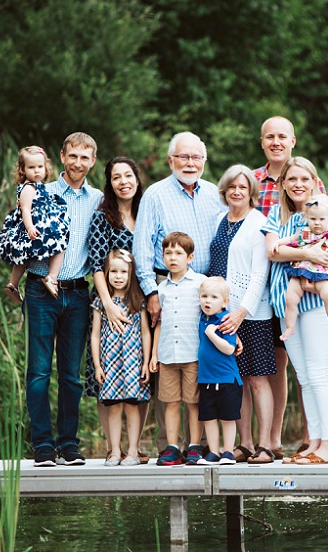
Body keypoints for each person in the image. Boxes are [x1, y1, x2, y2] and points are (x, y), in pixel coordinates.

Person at [133, 131, 224, 453]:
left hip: (204, 292)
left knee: (200, 366)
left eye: (196, 157)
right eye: (183, 157)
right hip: (166, 287)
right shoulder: (156, 195)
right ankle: (169, 446)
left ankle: (199, 444)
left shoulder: (215, 193)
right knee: (169, 370)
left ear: (204, 161)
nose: (190, 163)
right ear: (171, 160)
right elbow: (142, 246)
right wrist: (150, 292)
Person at [262, 157, 328, 465]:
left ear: (315, 182)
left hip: (317, 302)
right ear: (283, 184)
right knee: (303, 375)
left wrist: (315, 271)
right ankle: (314, 443)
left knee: (317, 372)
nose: (298, 184)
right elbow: (272, 251)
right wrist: (305, 252)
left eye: (304, 179)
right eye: (292, 179)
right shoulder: (277, 213)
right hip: (286, 302)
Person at [25, 132, 101, 467]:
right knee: (39, 371)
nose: (78, 163)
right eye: (73, 156)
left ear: (93, 161)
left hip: (78, 292)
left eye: (85, 158)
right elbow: (20, 234)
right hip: (41, 289)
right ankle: (42, 445)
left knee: (71, 374)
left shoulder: (98, 199)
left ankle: (68, 444)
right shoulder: (41, 191)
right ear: (63, 156)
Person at [253, 116, 325, 457]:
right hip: (266, 288)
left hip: (308, 289)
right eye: (270, 137)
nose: (276, 141)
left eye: (282, 136)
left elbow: (326, 235)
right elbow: (267, 244)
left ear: (293, 140)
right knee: (277, 364)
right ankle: (273, 438)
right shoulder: (252, 181)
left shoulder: (311, 182)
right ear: (263, 141)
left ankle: (316, 439)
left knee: (310, 368)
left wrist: (309, 258)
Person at [83, 157, 149, 462]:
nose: (124, 181)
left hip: (142, 302)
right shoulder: (103, 217)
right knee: (106, 381)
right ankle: (113, 448)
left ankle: (135, 448)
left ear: (137, 178)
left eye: (128, 175)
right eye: (116, 177)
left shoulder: (147, 212)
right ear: (109, 183)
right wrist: (107, 303)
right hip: (109, 302)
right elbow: (97, 264)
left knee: (140, 378)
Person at [208, 165, 275, 464]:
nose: (237, 191)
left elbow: (260, 275)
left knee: (258, 379)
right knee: (237, 380)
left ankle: (265, 444)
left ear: (251, 192)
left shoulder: (259, 223)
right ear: (225, 190)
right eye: (232, 186)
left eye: (243, 187)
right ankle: (244, 443)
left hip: (252, 314)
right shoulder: (220, 221)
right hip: (224, 313)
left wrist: (241, 312)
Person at [150, 232, 207, 466]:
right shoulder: (161, 289)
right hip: (167, 355)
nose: (173, 258)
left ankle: (194, 445)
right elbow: (159, 324)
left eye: (179, 253)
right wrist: (154, 355)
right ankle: (172, 447)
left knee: (194, 403)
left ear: (190, 257)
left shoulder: (200, 283)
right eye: (168, 253)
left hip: (193, 353)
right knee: (170, 402)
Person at [90, 249, 152, 467]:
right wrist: (97, 365)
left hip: (134, 362)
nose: (118, 276)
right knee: (114, 407)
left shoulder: (138, 300)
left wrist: (146, 362)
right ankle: (115, 451)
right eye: (113, 271)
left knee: (132, 406)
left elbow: (145, 332)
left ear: (130, 273)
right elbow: (95, 335)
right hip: (111, 363)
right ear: (106, 273)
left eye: (123, 271)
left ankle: (134, 451)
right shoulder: (101, 303)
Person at [268, 194, 328, 340]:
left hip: (323, 272)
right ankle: (290, 327)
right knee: (290, 297)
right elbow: (290, 239)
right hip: (300, 270)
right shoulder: (303, 231)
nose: (317, 223)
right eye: (313, 219)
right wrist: (277, 243)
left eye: (321, 219)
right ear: (307, 218)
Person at [0, 146, 69, 303]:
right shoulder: (29, 188)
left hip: (33, 226)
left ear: (45, 168)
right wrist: (30, 227)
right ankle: (52, 277)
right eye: (31, 167)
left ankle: (13, 284)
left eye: (40, 167)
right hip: (34, 226)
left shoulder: (37, 186)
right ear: (23, 170)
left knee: (24, 256)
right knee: (60, 244)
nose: (37, 171)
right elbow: (25, 209)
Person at [195, 277, 241, 466]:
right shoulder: (202, 319)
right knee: (209, 417)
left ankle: (228, 452)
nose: (207, 301)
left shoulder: (225, 320)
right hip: (206, 378)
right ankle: (214, 451)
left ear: (224, 302)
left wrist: (212, 334)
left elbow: (229, 349)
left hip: (227, 379)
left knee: (227, 417)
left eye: (214, 297)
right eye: (204, 296)